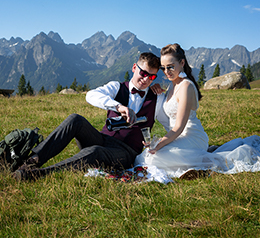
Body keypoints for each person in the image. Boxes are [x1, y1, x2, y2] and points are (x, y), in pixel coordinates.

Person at [13, 52, 161, 181]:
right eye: (144, 73)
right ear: (135, 68)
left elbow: (173, 121)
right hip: (104, 139)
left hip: (126, 152)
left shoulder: (157, 98)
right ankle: (32, 161)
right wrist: (118, 106)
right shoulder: (117, 87)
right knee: (75, 119)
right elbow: (91, 95)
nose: (146, 79)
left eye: (152, 76)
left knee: (95, 151)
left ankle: (38, 174)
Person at [134, 44, 260, 179]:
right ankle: (197, 161)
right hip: (177, 137)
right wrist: (157, 91)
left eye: (170, 67)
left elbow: (179, 127)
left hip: (191, 136)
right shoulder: (172, 85)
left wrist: (161, 143)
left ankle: (203, 165)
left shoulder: (186, 86)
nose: (166, 71)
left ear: (182, 63)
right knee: (145, 156)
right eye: (163, 68)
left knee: (152, 158)